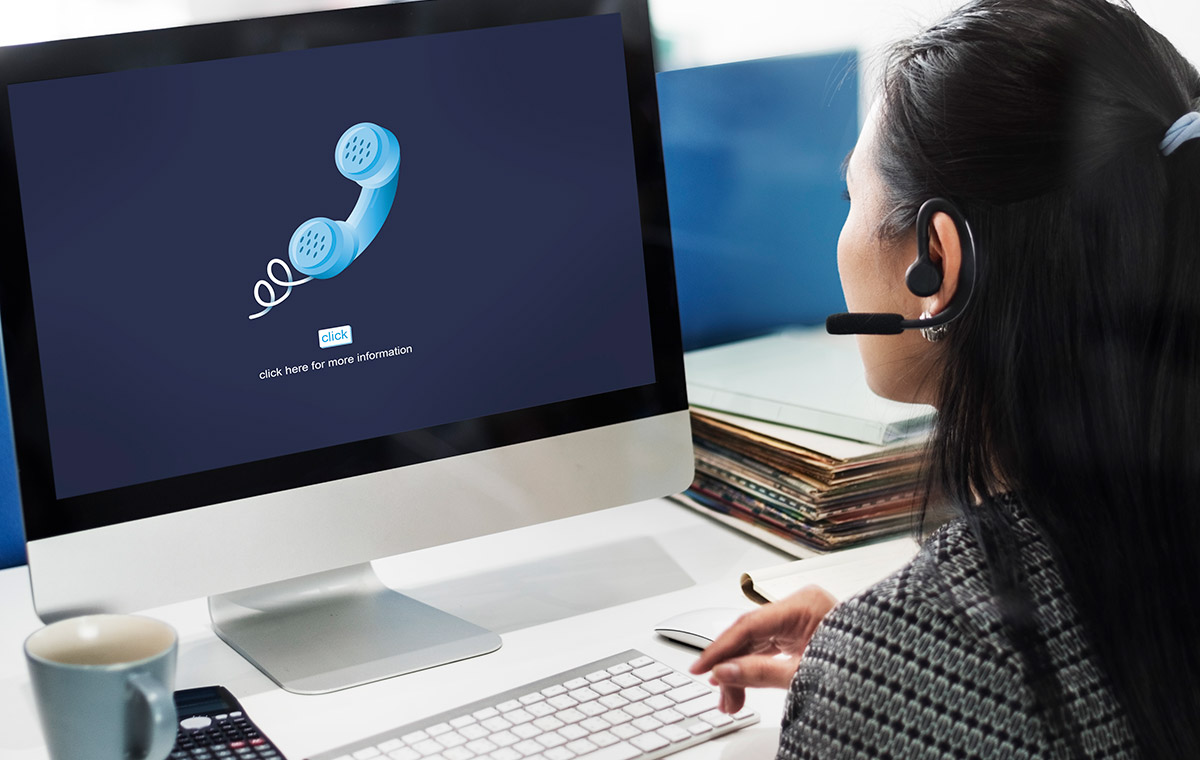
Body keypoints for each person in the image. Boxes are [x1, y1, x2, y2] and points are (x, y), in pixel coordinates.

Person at [689, 0, 1200, 757]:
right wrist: (903, 666)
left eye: (850, 198)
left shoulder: (905, 660)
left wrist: (886, 675)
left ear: (938, 260)